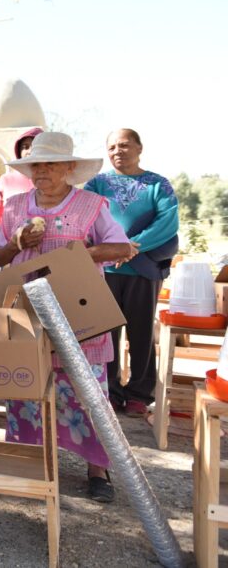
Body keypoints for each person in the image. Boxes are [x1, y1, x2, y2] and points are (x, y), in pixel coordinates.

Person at [0, 131, 134, 503]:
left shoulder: (90, 204)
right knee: (27, 385)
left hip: (78, 309)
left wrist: (82, 252)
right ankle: (30, 460)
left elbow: (122, 247)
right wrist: (17, 243)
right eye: (36, 165)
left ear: (69, 168)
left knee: (87, 391)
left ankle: (97, 469)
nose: (41, 171)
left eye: (51, 164)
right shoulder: (16, 206)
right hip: (28, 310)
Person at [84, 129, 179, 416]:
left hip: (143, 270)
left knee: (141, 332)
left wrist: (128, 247)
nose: (117, 151)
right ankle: (110, 391)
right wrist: (112, 250)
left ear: (139, 148)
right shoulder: (96, 184)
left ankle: (139, 394)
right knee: (105, 332)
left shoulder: (158, 185)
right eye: (112, 147)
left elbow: (168, 222)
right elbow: (83, 216)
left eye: (124, 145)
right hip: (105, 270)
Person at [0, 127, 43, 224]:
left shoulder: (55, 180)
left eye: (35, 147)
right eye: (25, 147)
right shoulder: (6, 180)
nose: (30, 151)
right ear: (19, 152)